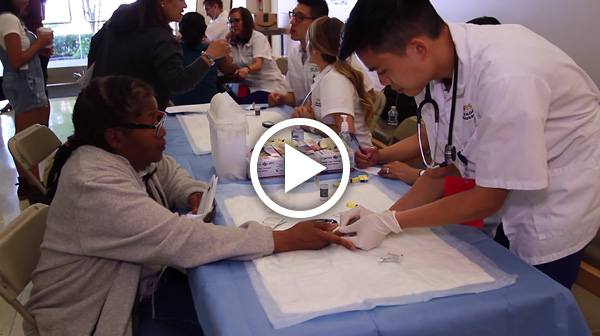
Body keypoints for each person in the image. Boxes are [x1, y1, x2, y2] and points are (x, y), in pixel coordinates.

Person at [23, 76, 353, 335]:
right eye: (154, 122)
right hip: (96, 319)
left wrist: (193, 192)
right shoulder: (93, 184)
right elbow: (181, 240)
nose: (161, 129)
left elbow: (166, 171)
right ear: (115, 137)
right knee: (244, 315)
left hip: (127, 291)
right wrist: (280, 239)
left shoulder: (119, 155)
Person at [335, 0, 600, 289]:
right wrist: (386, 215)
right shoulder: (441, 71)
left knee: (532, 305)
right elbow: (444, 168)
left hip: (552, 208)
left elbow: (488, 198)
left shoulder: (508, 75)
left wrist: (393, 222)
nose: (382, 82)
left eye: (383, 69)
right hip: (500, 204)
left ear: (417, 48)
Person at [354, 17, 501, 186]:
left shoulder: (498, 87)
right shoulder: (434, 86)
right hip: (454, 190)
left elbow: (486, 186)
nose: (384, 81)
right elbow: (427, 136)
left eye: (384, 70)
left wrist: (418, 175)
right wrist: (380, 156)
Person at [88, 0, 231, 110]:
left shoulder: (118, 20)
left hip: (103, 107)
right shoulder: (161, 38)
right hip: (134, 117)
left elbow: (95, 43)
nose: (185, 5)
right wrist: (209, 56)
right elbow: (178, 82)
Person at [267, 0, 375, 108]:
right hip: (310, 119)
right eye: (293, 15)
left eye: (300, 17)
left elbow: (370, 96)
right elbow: (298, 98)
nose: (292, 22)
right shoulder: (295, 54)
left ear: (318, 21)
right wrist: (281, 99)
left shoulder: (336, 53)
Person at [0, 0, 53, 202]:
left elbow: (20, 53)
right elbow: (15, 60)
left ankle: (30, 184)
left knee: (33, 135)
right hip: (25, 83)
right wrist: (39, 43)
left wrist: (39, 50)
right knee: (27, 139)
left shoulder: (14, 19)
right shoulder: (7, 19)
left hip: (30, 82)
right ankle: (33, 187)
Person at [292, 17, 373, 147]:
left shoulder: (334, 79)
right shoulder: (326, 75)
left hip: (356, 158)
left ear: (314, 48)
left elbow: (347, 134)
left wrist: (310, 125)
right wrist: (307, 114)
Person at [172, 12, 237, 105]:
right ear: (204, 32)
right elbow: (229, 71)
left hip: (178, 106)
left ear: (181, 30)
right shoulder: (212, 52)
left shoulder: (173, 51)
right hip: (207, 107)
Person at [228, 7, 287, 104]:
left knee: (238, 105)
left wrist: (246, 69)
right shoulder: (234, 41)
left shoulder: (257, 38)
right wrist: (227, 37)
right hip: (250, 87)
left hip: (268, 87)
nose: (233, 25)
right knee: (225, 98)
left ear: (246, 22)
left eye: (237, 21)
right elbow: (232, 65)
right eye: (230, 22)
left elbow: (258, 64)